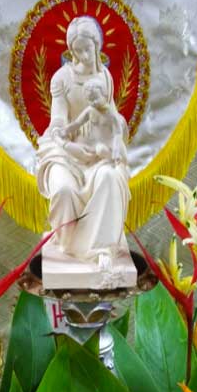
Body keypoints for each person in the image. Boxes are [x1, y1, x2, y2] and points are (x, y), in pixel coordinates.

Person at [36, 16, 131, 266]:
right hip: (68, 152)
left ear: (97, 46)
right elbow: (59, 118)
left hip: (98, 153)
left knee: (110, 177)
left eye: (88, 49)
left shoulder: (105, 76)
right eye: (77, 51)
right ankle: (69, 247)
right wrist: (60, 133)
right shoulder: (62, 78)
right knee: (64, 190)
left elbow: (111, 116)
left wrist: (116, 134)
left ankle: (100, 249)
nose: (84, 56)